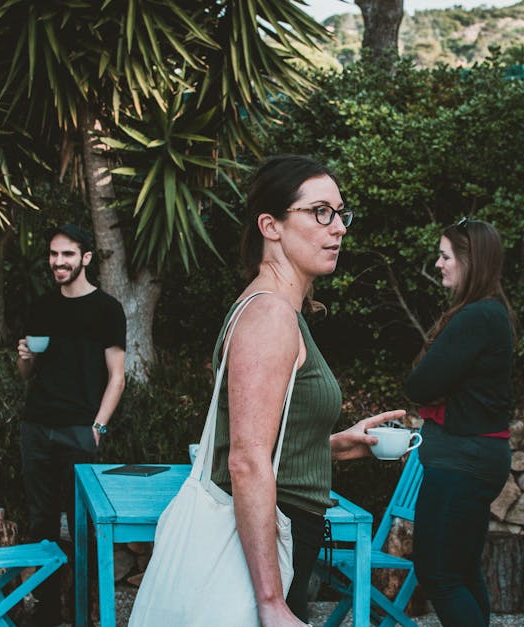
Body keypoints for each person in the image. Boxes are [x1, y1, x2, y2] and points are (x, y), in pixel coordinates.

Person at [208, 155, 406, 626]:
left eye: (340, 213)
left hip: (284, 534)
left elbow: (270, 443)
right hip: (275, 538)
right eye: (320, 212)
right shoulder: (270, 316)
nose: (337, 228)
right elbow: (246, 459)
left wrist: (335, 446)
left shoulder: (276, 310)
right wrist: (272, 601)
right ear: (270, 226)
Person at [405, 218, 515, 626]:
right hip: (474, 459)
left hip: (461, 464)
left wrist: (436, 387)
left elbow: (419, 384)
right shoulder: (491, 314)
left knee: (438, 573)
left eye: (445, 256)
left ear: (471, 262)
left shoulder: (476, 317)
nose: (438, 264)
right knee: (462, 571)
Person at [16, 223, 126, 625]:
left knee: (82, 525)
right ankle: (47, 612)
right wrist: (25, 356)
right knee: (41, 521)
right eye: (53, 254)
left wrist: (97, 427)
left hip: (81, 429)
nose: (58, 262)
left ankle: (84, 611)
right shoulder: (42, 305)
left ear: (86, 258)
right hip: (37, 426)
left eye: (66, 254)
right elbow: (28, 373)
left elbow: (117, 376)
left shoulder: (107, 309)